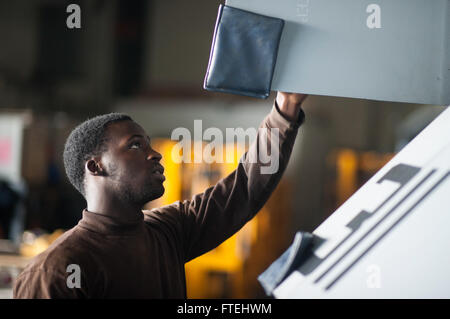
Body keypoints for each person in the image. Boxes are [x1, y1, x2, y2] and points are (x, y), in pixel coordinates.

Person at [13, 91, 308, 298]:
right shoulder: (57, 269)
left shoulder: (167, 230)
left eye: (150, 145)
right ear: (95, 166)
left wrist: (285, 108)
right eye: (135, 145)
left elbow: (243, 188)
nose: (155, 155)